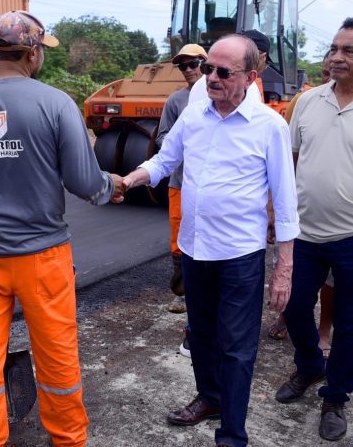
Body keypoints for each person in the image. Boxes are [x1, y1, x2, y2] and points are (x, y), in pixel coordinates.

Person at [0, 10, 122, 446]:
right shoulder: (55, 104)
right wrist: (112, 186)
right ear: (32, 53)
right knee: (56, 353)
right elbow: (84, 182)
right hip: (43, 257)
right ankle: (68, 438)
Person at [114, 34, 299, 447]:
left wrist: (284, 268)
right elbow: (164, 160)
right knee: (200, 335)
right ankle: (210, 397)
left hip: (239, 256)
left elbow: (286, 202)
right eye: (208, 68)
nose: (210, 77)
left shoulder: (270, 127)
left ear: (250, 76)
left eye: (222, 72)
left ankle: (231, 434)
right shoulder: (194, 115)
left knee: (236, 348)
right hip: (195, 249)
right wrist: (129, 180)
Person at [275, 17, 353, 442]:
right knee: (294, 307)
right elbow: (290, 162)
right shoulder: (308, 101)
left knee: (351, 321)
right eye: (334, 49)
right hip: (304, 233)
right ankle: (309, 366)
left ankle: (336, 397)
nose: (336, 57)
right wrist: (277, 216)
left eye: (349, 51)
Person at [268, 52, 334, 359]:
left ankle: (324, 329)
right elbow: (286, 158)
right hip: (302, 214)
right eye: (325, 73)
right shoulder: (304, 102)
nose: (329, 79)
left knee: (331, 282)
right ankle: (287, 317)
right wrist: (275, 206)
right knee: (294, 275)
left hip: (342, 221)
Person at [155, 44, 207, 360]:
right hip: (180, 182)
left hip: (209, 187)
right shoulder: (176, 101)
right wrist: (183, 144)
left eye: (193, 63)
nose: (188, 69)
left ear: (206, 63)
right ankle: (182, 291)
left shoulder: (217, 96)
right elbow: (162, 137)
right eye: (183, 65)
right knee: (179, 238)